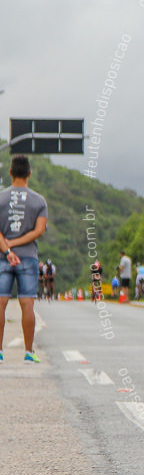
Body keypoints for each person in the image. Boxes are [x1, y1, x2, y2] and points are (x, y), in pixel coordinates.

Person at [0, 155, 48, 364]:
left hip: (2, 257)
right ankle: (29, 351)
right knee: (27, 304)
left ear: (10, 172)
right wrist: (19, 244)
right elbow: (39, 231)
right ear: (29, 173)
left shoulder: (0, 198)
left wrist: (8, 248)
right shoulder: (39, 201)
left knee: (0, 303)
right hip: (28, 257)